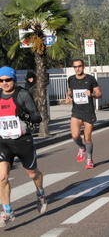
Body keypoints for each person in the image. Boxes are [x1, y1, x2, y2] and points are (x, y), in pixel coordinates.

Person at [0, 66, 47, 227]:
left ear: (13, 80)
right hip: (4, 142)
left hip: (23, 141)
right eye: (1, 80)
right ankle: (7, 212)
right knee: (2, 177)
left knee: (33, 174)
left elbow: (37, 117)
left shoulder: (22, 95)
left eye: (8, 80)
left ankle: (40, 194)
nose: (5, 83)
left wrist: (25, 115)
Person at [65, 59, 103, 169]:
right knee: (75, 135)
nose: (77, 69)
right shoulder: (71, 79)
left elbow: (99, 94)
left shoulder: (90, 79)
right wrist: (68, 96)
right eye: (75, 67)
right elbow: (70, 90)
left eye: (79, 66)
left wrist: (91, 94)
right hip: (76, 111)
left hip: (88, 112)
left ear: (84, 66)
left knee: (87, 137)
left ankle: (89, 159)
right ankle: (82, 147)